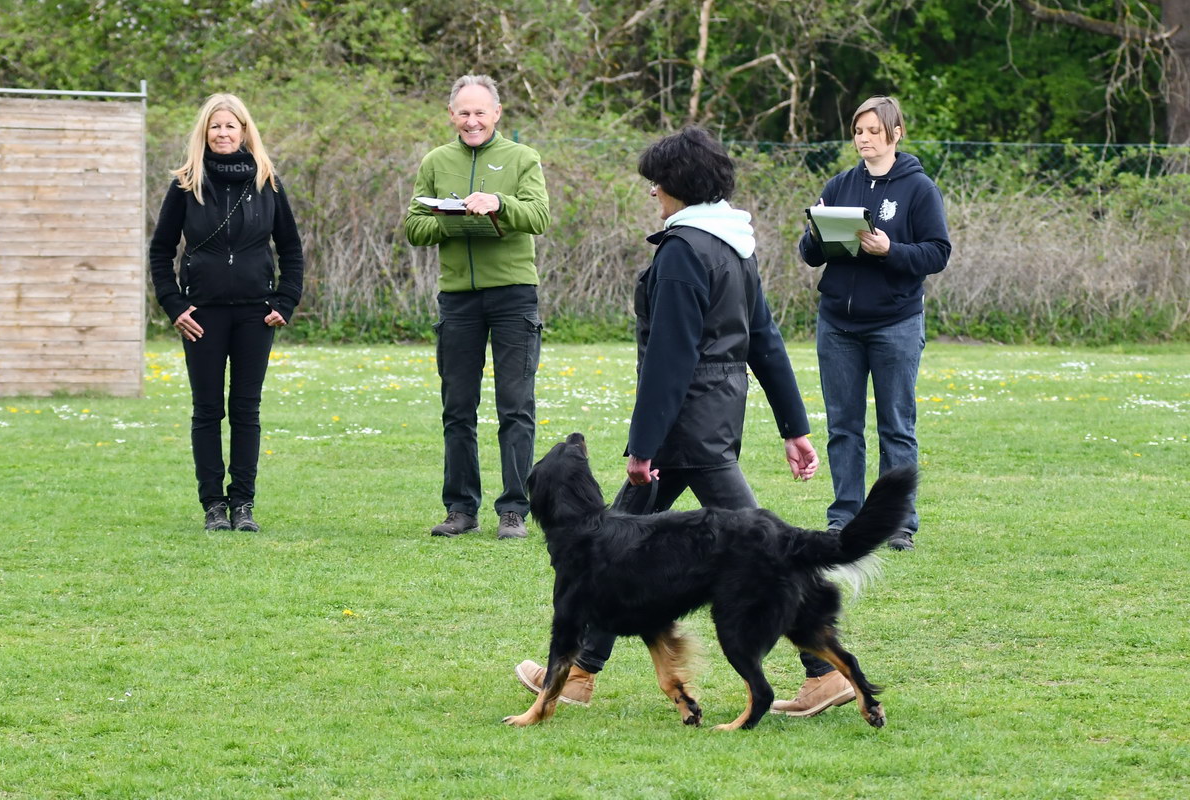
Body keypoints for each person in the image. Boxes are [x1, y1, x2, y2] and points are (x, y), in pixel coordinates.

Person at [513, 126, 820, 708]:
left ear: (678, 183)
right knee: (611, 547)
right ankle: (579, 674)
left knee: (761, 549)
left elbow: (670, 358)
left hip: (687, 427)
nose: (652, 191)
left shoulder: (684, 251)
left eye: (656, 181)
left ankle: (820, 665)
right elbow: (766, 341)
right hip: (715, 415)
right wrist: (794, 425)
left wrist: (643, 445)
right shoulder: (733, 241)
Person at [779, 96, 950, 717]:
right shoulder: (841, 185)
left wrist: (887, 252)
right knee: (844, 428)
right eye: (857, 131)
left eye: (874, 131)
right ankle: (845, 517)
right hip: (838, 324)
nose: (864, 140)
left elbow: (936, 253)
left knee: (895, 427)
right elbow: (808, 250)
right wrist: (821, 238)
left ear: (897, 133)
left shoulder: (918, 188)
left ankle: (898, 521)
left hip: (895, 323)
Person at [404, 74, 551, 540]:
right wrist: (450, 220)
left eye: (480, 112)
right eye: (463, 113)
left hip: (513, 296)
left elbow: (539, 217)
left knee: (515, 406)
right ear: (451, 115)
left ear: (497, 113)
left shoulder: (523, 159)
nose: (472, 121)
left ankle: (513, 510)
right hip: (458, 300)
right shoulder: (435, 161)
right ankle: (461, 509)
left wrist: (498, 204)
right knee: (458, 408)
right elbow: (414, 226)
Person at [149, 93, 304, 533]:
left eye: (230, 126)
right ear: (204, 132)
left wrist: (285, 300)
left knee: (246, 409)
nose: (222, 133)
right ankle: (213, 505)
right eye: (214, 126)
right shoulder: (185, 184)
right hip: (201, 315)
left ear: (244, 131)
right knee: (206, 410)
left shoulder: (268, 182)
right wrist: (174, 305)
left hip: (257, 314)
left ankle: (243, 504)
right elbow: (161, 251)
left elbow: (290, 248)